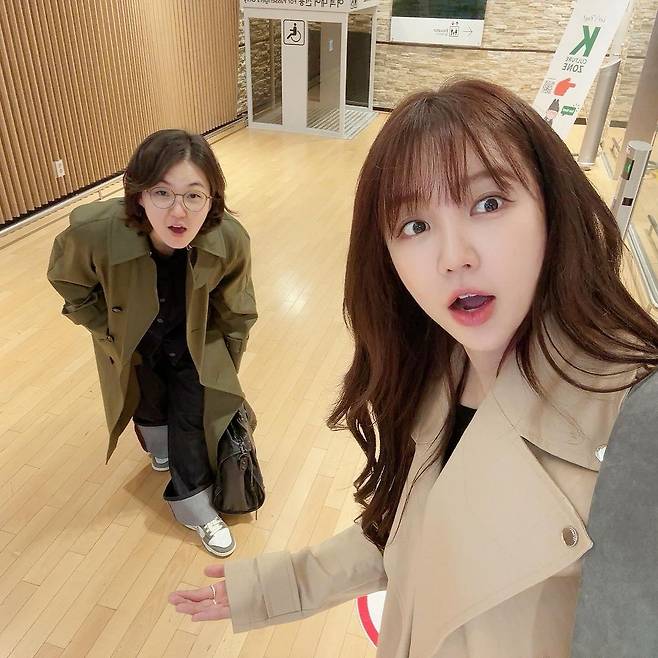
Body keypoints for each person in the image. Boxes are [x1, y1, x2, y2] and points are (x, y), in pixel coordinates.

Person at [169, 80, 658, 656]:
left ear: (553, 206)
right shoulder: (440, 371)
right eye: (415, 226)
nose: (454, 258)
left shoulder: (636, 425)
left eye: (488, 203)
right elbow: (419, 536)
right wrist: (278, 586)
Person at [48, 129, 257, 557]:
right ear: (139, 194)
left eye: (194, 195)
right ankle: (160, 450)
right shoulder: (95, 233)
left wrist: (225, 367)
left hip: (197, 344)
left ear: (212, 200)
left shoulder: (230, 240)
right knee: (146, 399)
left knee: (192, 419)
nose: (178, 211)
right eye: (162, 192)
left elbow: (238, 310)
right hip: (135, 341)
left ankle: (195, 507)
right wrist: (105, 329)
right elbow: (69, 282)